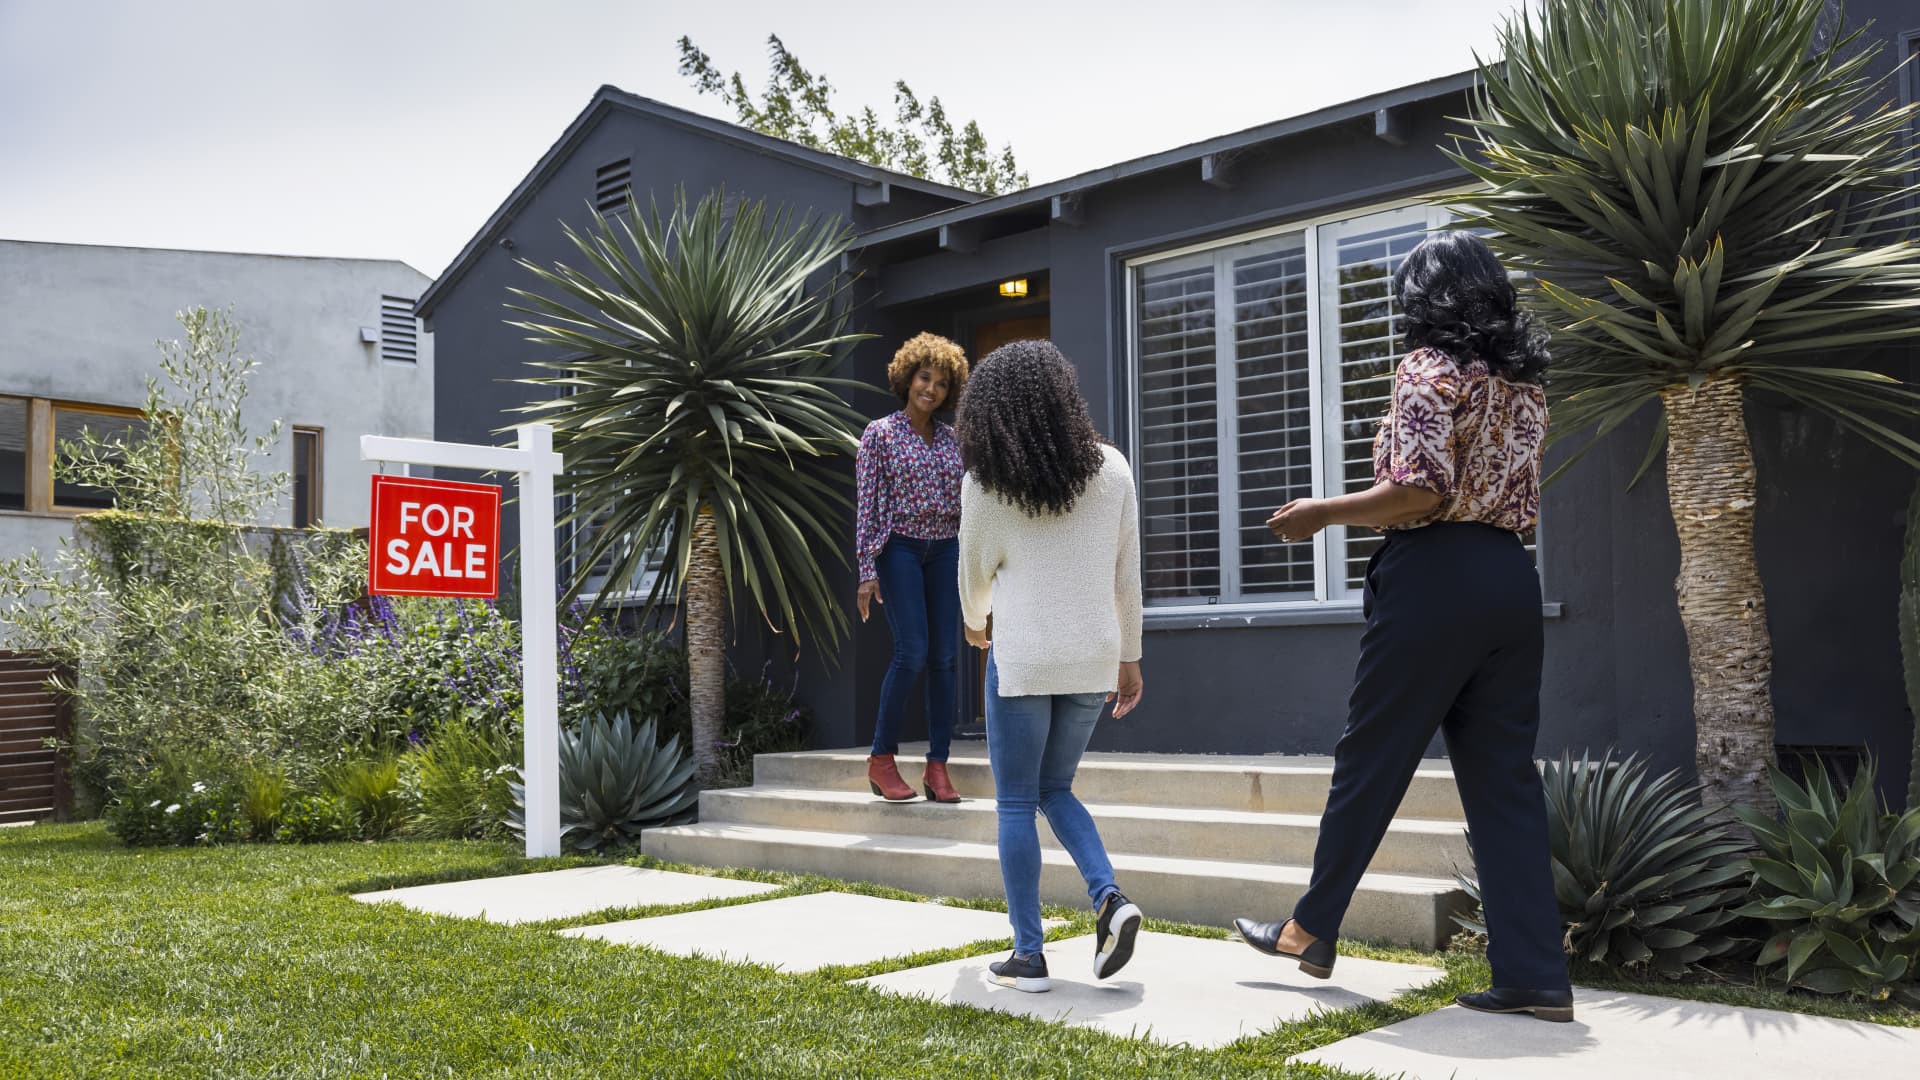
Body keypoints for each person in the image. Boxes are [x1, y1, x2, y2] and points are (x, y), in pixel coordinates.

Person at [1230, 231, 1573, 1023]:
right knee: (1504, 781)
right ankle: (1534, 976)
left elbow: (1420, 491)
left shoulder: (1426, 369)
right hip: (1509, 579)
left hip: (1435, 580)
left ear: (1424, 298)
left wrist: (1321, 513)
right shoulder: (1524, 385)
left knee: (1372, 758)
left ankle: (1310, 928)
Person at [956, 339, 1146, 994]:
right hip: (1093, 656)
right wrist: (1130, 657)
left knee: (1016, 801)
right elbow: (1127, 577)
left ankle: (1029, 956)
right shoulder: (1113, 469)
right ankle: (1109, 897)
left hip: (1024, 660)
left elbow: (973, 576)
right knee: (1056, 789)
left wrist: (976, 624)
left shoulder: (986, 483)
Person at [855, 332, 970, 804]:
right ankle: (882, 758)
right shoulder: (880, 434)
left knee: (945, 657)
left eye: (942, 383)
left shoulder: (952, 439)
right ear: (908, 378)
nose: (932, 389)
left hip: (945, 548)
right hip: (899, 546)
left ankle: (937, 766)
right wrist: (867, 568)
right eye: (925, 378)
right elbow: (867, 503)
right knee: (913, 652)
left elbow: (966, 501)